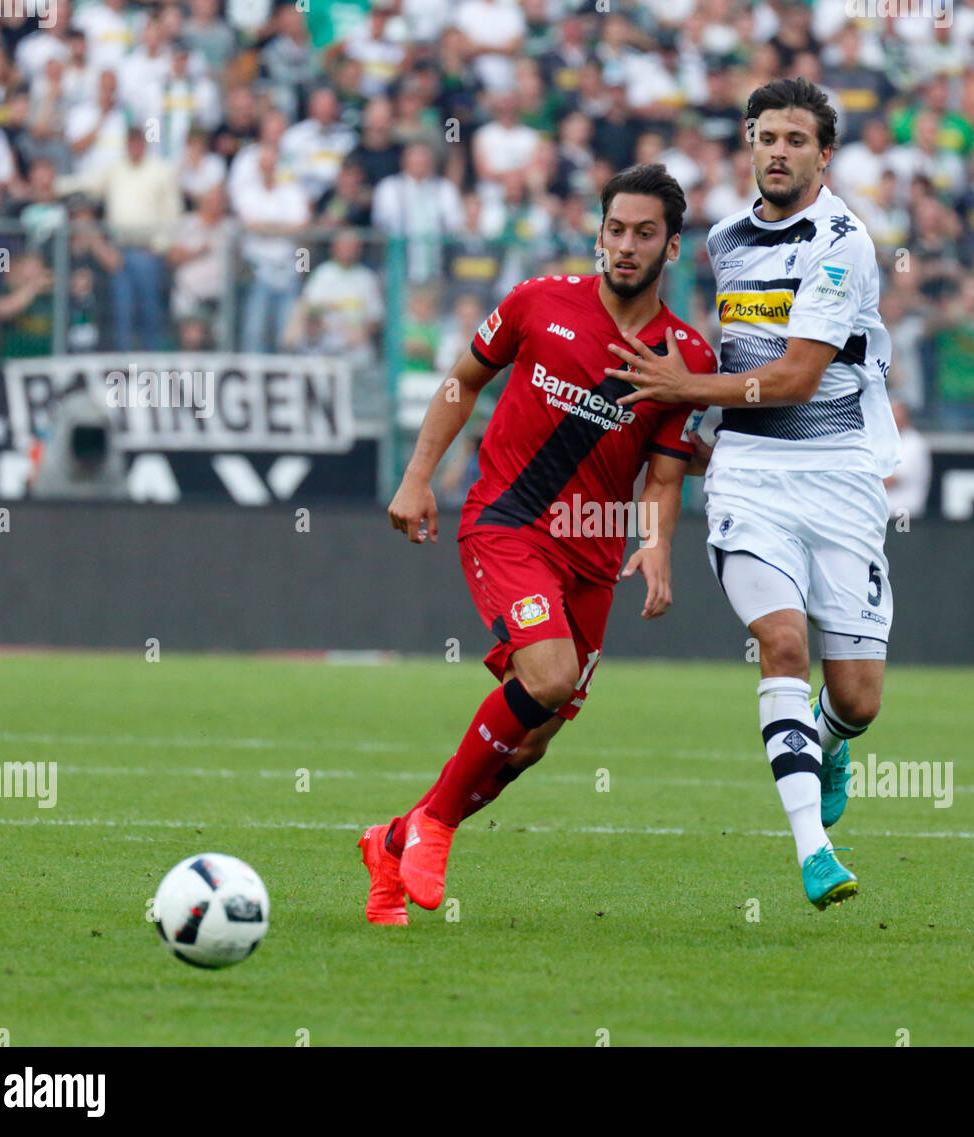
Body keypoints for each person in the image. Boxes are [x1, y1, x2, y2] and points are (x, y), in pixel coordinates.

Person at [361, 164, 714, 926]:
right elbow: (462, 382)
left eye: (643, 234)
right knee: (548, 676)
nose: (624, 246)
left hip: (593, 557)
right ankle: (435, 827)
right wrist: (418, 476)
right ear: (598, 233)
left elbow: (664, 474)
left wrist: (656, 545)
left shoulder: (686, 357)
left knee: (532, 742)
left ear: (672, 249)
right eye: (614, 230)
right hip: (507, 524)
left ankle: (390, 841)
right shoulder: (538, 301)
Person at [604, 79, 900, 912]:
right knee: (780, 640)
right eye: (765, 136)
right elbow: (733, 356)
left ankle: (832, 738)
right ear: (749, 143)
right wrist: (698, 427)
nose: (777, 151)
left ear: (823, 154)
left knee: (857, 698)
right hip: (750, 481)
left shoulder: (843, 242)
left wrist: (687, 390)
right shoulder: (727, 239)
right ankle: (815, 851)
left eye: (796, 140)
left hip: (840, 475)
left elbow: (800, 378)